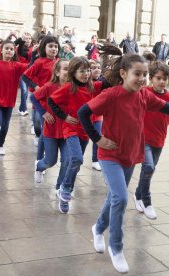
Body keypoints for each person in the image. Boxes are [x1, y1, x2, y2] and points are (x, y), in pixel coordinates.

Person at [77, 45, 169, 274]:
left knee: (114, 197)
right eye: (137, 74)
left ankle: (98, 228)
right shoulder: (111, 95)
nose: (141, 78)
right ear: (123, 74)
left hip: (130, 154)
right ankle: (116, 248)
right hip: (110, 155)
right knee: (120, 197)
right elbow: (83, 113)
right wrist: (97, 139)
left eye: (144, 74)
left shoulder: (144, 96)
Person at [47, 57, 106, 214]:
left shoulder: (94, 86)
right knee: (77, 158)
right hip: (71, 129)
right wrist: (64, 116)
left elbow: (110, 83)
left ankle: (63, 193)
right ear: (73, 72)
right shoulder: (68, 88)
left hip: (85, 131)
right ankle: (65, 189)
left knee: (76, 164)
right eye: (82, 71)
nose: (86, 74)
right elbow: (51, 101)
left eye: (88, 70)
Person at [132, 61, 169, 220]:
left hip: (159, 139)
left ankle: (137, 195)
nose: (162, 81)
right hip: (143, 138)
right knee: (149, 166)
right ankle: (147, 201)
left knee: (148, 171)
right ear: (151, 78)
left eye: (165, 78)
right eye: (158, 78)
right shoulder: (143, 92)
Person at [30, 59, 70, 190]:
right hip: (51, 130)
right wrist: (43, 113)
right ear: (57, 72)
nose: (68, 72)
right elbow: (33, 97)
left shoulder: (74, 87)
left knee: (67, 161)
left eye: (71, 69)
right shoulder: (49, 86)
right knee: (50, 161)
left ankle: (60, 188)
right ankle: (39, 167)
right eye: (65, 69)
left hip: (67, 131)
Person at [23, 36, 60, 162]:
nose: (53, 49)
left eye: (55, 46)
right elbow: (25, 77)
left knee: (47, 125)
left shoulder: (60, 62)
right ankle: (38, 135)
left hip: (54, 100)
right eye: (50, 46)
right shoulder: (39, 62)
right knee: (37, 122)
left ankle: (43, 152)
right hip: (40, 98)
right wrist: (36, 87)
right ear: (44, 48)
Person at [7, 31, 34, 116]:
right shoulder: (19, 48)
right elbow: (21, 52)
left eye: (29, 38)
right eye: (26, 39)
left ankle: (21, 108)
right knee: (24, 90)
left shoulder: (33, 48)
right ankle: (23, 109)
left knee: (26, 91)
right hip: (21, 72)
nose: (28, 40)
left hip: (30, 72)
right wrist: (20, 40)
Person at [89, 59, 103, 171]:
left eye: (98, 67)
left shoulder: (103, 82)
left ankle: (95, 160)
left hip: (98, 115)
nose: (96, 69)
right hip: (84, 115)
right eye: (94, 68)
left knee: (97, 137)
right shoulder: (84, 82)